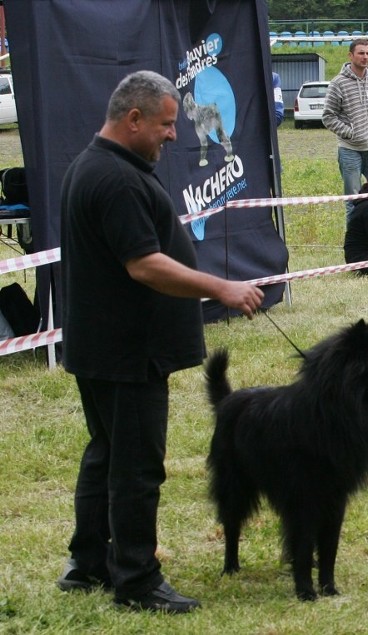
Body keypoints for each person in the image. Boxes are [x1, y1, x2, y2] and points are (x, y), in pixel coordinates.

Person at [56, 70, 264, 613]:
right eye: (167, 125)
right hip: (128, 351)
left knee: (105, 454)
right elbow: (145, 266)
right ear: (134, 119)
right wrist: (222, 286)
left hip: (102, 344)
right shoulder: (116, 179)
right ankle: (137, 581)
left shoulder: (93, 164)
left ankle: (88, 563)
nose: (174, 136)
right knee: (136, 468)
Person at [322, 39, 368, 222]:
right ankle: (355, 243)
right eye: (361, 53)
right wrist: (350, 133)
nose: (365, 57)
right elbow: (328, 116)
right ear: (350, 55)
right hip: (349, 150)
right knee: (353, 199)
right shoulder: (338, 83)